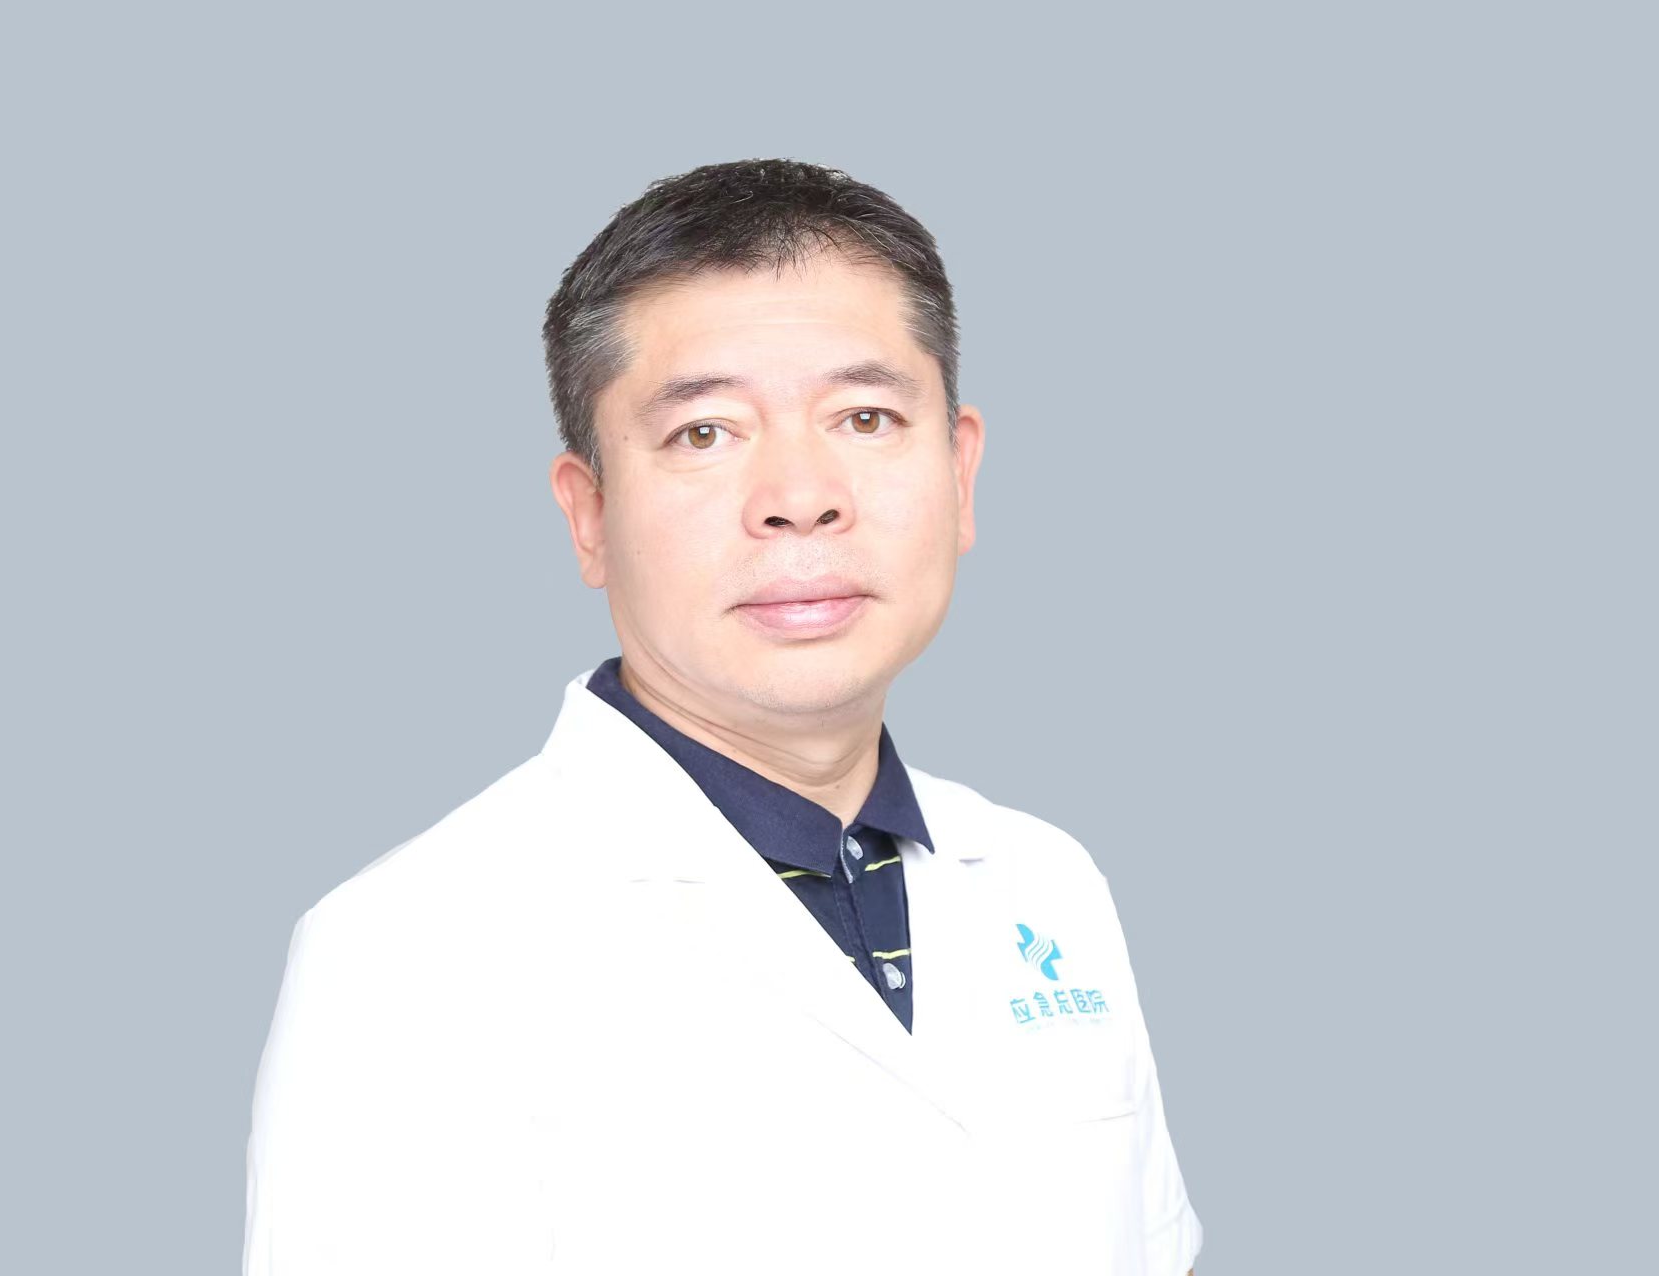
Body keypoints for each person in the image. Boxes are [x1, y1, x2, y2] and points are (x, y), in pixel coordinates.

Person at [243, 157, 1203, 1275]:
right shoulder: (407, 955)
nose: (801, 496)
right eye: (706, 432)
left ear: (960, 473)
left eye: (866, 416)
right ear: (589, 514)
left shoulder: (1050, 884)